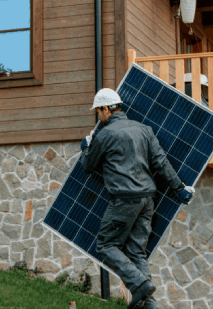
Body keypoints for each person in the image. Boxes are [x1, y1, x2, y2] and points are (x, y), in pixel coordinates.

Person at [80, 88, 195, 309]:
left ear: (106, 109)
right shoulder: (144, 130)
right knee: (136, 252)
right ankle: (149, 304)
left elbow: (88, 166)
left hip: (124, 199)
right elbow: (161, 163)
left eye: (98, 112)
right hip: (147, 200)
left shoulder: (105, 134)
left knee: (106, 245)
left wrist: (86, 148)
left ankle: (139, 283)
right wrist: (178, 188)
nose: (99, 117)